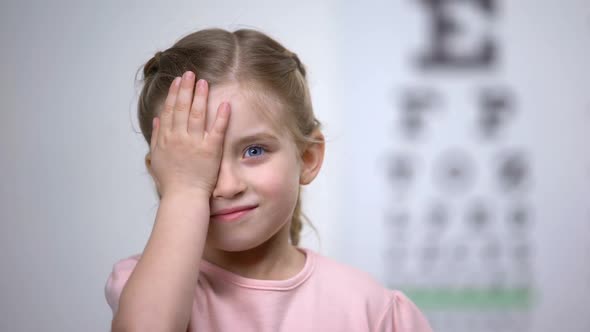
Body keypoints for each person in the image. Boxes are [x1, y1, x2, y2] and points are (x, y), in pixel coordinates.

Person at [104, 27, 433, 332]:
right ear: (164, 174)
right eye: (199, 162)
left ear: (307, 158)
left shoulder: (372, 310)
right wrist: (186, 190)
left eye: (254, 151)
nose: (228, 186)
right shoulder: (146, 289)